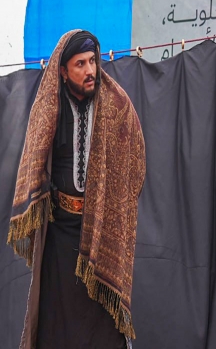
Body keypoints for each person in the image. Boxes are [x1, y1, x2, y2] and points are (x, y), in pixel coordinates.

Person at [7, 30, 146, 349]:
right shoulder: (50, 108)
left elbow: (135, 161)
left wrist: (115, 205)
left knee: (102, 332)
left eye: (92, 61)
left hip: (100, 233)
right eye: (80, 64)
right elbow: (34, 161)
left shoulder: (117, 106)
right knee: (55, 325)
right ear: (63, 71)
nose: (90, 70)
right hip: (60, 236)